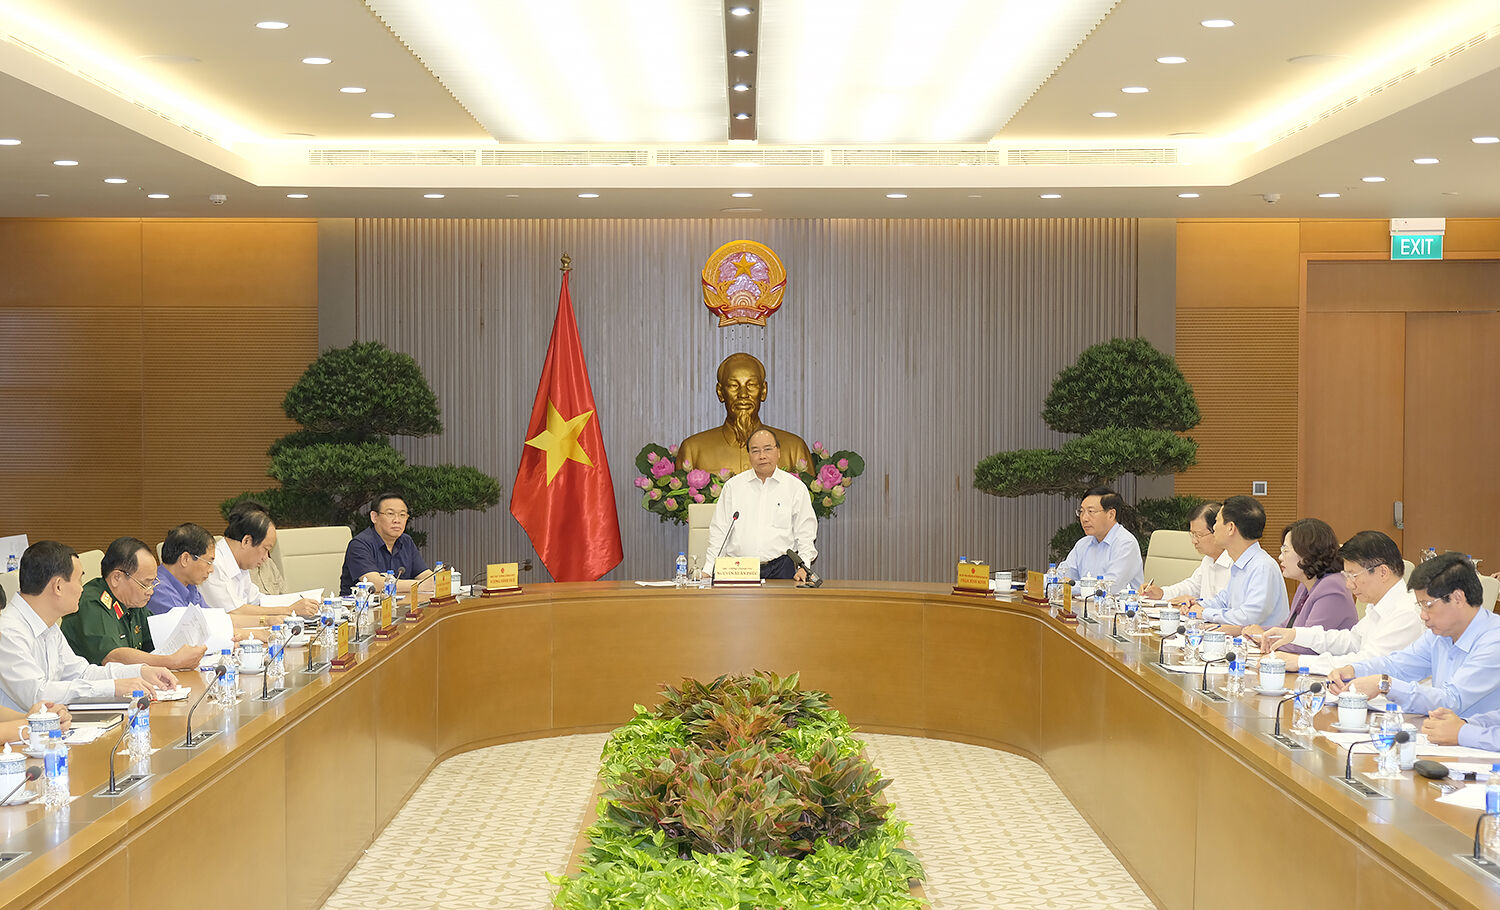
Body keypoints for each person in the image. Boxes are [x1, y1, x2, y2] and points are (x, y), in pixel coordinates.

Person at [0, 541, 175, 712]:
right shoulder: (8, 632)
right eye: (78, 580)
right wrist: (113, 687)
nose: (82, 589)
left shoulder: (49, 626)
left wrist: (140, 671)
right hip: (21, 730)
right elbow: (37, 695)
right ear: (58, 586)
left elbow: (82, 673)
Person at [1328, 552, 1500, 716]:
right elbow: (1398, 665)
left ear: (1458, 598)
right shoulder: (1439, 634)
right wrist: (1353, 670)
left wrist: (1384, 684)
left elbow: (1452, 700)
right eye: (1420, 606)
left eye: (1428, 605)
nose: (1423, 615)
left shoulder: (1494, 641)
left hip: (1476, 735)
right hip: (1442, 730)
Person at [1258, 530, 1423, 675]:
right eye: (1346, 576)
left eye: (1353, 575)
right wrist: (1295, 635)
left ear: (1383, 572)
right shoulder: (1380, 605)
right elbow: (1351, 641)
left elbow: (1367, 663)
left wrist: (1300, 662)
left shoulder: (1406, 614)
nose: (1349, 585)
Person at [60, 537, 205, 670]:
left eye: (153, 582)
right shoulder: (91, 603)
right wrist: (172, 661)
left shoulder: (133, 602)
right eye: (145, 584)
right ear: (117, 578)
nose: (151, 591)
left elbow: (157, 641)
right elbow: (113, 657)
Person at [703, 428, 817, 581]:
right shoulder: (733, 487)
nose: (762, 456)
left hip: (781, 568)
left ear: (778, 452)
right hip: (739, 569)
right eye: (755, 451)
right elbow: (719, 532)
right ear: (749, 455)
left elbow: (805, 533)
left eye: (768, 449)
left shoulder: (795, 487)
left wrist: (804, 567)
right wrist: (708, 569)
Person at [677, 353, 812, 476]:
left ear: (763, 391)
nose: (743, 394)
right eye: (733, 385)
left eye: (751, 385)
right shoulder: (693, 450)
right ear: (720, 392)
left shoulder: (794, 449)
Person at [1244, 519, 1356, 650]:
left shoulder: (1332, 587)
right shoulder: (1306, 584)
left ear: (1307, 553)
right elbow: (1287, 628)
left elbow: (1308, 646)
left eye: (1285, 550)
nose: (1280, 557)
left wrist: (1263, 637)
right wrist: (1247, 631)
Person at [201, 500, 319, 621]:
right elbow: (234, 612)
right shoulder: (213, 564)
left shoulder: (240, 562)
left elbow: (258, 600)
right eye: (265, 549)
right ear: (246, 541)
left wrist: (305, 601)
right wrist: (289, 610)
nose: (266, 557)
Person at [1195, 495, 1289, 629]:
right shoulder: (1240, 563)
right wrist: (1197, 605)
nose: (1214, 528)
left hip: (1261, 642)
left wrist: (1205, 613)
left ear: (1230, 528)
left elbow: (1249, 616)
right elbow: (1224, 600)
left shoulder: (1262, 566)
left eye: (1217, 521)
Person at [1055, 487, 1143, 595]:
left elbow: (1110, 586)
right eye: (1081, 512)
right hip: (1086, 604)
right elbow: (1062, 575)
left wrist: (1070, 586)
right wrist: (1041, 581)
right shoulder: (1083, 544)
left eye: (1091, 511)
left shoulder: (1126, 543)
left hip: (1118, 605)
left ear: (1111, 514)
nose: (1084, 518)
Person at [340, 492, 430, 596]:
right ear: (374, 517)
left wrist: (437, 580)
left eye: (402, 515)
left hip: (400, 604)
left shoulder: (406, 541)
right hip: (361, 605)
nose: (397, 520)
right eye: (390, 514)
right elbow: (374, 584)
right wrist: (419, 585)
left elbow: (425, 575)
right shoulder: (359, 544)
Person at [1142, 501, 1229, 605]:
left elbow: (1229, 606)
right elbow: (1192, 586)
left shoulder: (1235, 563)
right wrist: (1162, 593)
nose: (1194, 541)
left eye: (1199, 535)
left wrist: (1197, 603)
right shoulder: (1208, 559)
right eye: (1192, 534)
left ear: (1218, 530)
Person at [148, 522, 215, 614]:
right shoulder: (159, 591)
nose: (211, 570)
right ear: (185, 559)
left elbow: (210, 617)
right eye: (208, 563)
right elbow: (189, 623)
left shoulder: (189, 585)